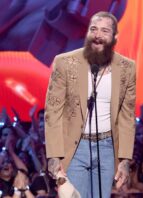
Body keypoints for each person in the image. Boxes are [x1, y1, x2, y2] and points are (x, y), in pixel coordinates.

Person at [44, 11, 136, 198]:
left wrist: (125, 159)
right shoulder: (65, 63)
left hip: (107, 147)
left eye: (104, 31)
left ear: (115, 37)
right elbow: (52, 111)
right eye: (93, 29)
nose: (98, 35)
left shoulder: (127, 68)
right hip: (76, 147)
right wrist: (54, 154)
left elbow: (127, 117)